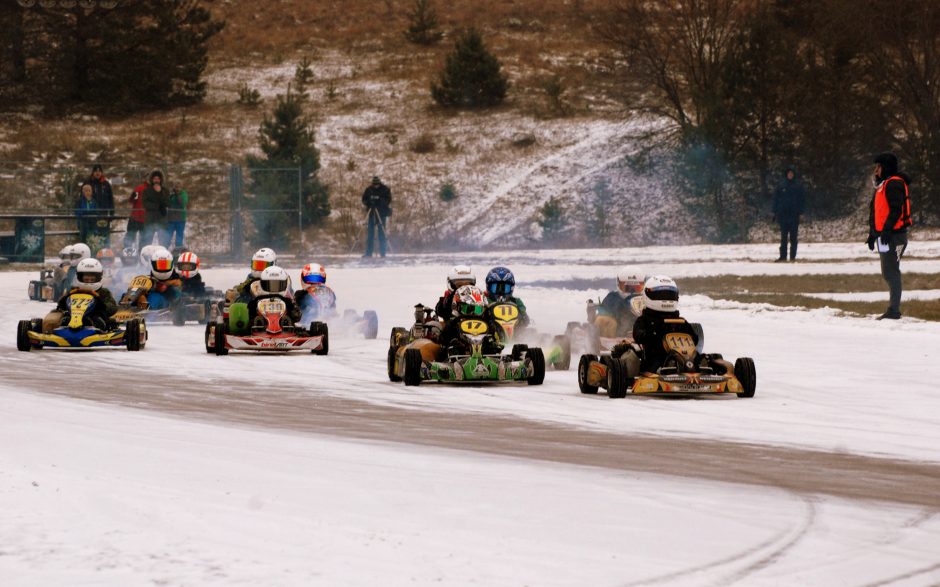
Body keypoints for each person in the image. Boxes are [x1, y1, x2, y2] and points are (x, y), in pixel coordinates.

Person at [867, 152, 912, 320]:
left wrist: (886, 230)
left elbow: (895, 210)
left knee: (892, 272)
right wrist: (873, 234)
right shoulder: (883, 185)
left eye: (878, 167)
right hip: (884, 237)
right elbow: (876, 211)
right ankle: (893, 309)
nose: (876, 170)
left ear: (885, 168)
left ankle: (894, 310)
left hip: (895, 236)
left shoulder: (894, 184)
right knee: (888, 271)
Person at [632, 275, 700, 373]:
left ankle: (701, 366)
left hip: (685, 356)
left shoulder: (680, 321)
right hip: (655, 357)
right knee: (657, 362)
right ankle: (667, 368)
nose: (667, 299)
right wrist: (655, 334)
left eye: (669, 295)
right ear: (648, 295)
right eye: (662, 295)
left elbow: (694, 339)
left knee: (702, 358)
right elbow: (638, 336)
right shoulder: (644, 320)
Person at [42, 258, 118, 333]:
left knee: (98, 318)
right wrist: (63, 304)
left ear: (98, 277)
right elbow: (61, 304)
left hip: (95, 315)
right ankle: (64, 328)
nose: (89, 278)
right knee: (65, 318)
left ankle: (93, 326)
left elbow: (113, 307)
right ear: (80, 276)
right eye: (86, 276)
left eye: (92, 276)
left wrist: (101, 305)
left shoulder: (103, 292)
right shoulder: (74, 291)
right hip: (73, 315)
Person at [438, 284, 504, 356]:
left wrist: (492, 343)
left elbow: (501, 341)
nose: (472, 314)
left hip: (487, 359)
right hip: (456, 361)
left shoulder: (489, 324)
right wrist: (452, 344)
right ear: (456, 306)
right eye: (467, 309)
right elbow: (441, 344)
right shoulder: (452, 325)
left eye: (477, 310)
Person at [595, 268, 645, 338]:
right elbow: (603, 311)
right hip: (616, 336)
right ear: (618, 285)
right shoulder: (612, 299)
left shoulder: (648, 298)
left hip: (643, 334)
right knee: (604, 320)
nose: (632, 292)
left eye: (637, 288)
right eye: (627, 288)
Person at [772, 166, 805, 262]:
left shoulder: (798, 186)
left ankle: (792, 257)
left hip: (794, 215)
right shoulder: (781, 186)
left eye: (792, 173)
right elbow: (776, 200)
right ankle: (783, 257)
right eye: (789, 173)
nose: (790, 175)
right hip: (783, 215)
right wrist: (774, 212)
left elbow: (802, 200)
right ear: (786, 174)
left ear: (794, 175)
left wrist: (801, 212)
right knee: (783, 238)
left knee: (793, 237)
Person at [361, 175, 392, 257]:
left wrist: (379, 201)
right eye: (374, 184)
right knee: (370, 233)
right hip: (371, 213)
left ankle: (383, 253)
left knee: (382, 233)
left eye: (377, 184)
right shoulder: (369, 189)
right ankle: (368, 253)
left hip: (381, 213)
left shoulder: (385, 189)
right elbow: (364, 199)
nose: (375, 186)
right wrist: (369, 202)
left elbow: (388, 200)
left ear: (379, 183)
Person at [141, 169, 168, 246]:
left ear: (161, 180)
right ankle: (145, 256)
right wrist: (157, 206)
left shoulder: (165, 191)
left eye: (158, 178)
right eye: (154, 178)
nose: (156, 180)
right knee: (147, 240)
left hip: (161, 219)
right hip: (150, 219)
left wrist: (159, 193)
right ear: (152, 180)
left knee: (163, 242)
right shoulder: (147, 190)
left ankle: (163, 256)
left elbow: (167, 202)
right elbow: (145, 203)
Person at [125, 177, 148, 249]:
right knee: (131, 237)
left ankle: (130, 253)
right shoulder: (139, 188)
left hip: (144, 219)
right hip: (136, 217)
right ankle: (128, 253)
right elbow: (132, 199)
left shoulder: (140, 188)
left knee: (143, 239)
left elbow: (131, 200)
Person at [75, 183, 98, 247]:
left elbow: (97, 211)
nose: (88, 192)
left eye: (89, 190)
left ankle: (92, 252)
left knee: (93, 238)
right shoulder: (79, 201)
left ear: (91, 192)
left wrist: (92, 214)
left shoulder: (94, 201)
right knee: (83, 238)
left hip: (92, 222)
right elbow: (77, 211)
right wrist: (85, 213)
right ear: (83, 192)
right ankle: (83, 250)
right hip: (83, 222)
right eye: (86, 190)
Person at [166, 183, 189, 248]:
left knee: (179, 237)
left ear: (181, 188)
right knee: (168, 236)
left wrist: (177, 195)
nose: (177, 189)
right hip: (171, 219)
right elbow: (167, 203)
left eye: (179, 187)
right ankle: (165, 250)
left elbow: (182, 204)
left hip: (180, 219)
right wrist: (170, 196)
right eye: (176, 187)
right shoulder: (171, 195)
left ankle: (178, 250)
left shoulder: (183, 194)